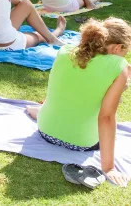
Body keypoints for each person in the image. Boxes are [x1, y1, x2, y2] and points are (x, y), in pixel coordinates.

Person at [26, 18, 131, 187]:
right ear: (117, 48)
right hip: (82, 144)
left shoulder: (65, 51)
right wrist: (109, 167)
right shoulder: (119, 65)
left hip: (45, 130)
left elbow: (66, 90)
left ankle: (39, 111)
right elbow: (106, 117)